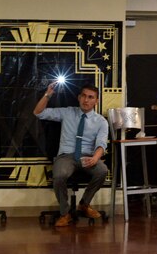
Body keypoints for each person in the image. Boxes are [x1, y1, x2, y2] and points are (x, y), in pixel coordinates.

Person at [34, 82, 109, 227]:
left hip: (88, 156)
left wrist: (95, 158)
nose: (86, 100)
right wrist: (47, 95)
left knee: (102, 170)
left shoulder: (101, 122)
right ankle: (65, 213)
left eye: (91, 97)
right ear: (78, 97)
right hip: (66, 156)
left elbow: (101, 144)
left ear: (96, 101)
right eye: (84, 96)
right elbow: (38, 113)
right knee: (59, 175)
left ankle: (84, 204)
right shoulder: (68, 112)